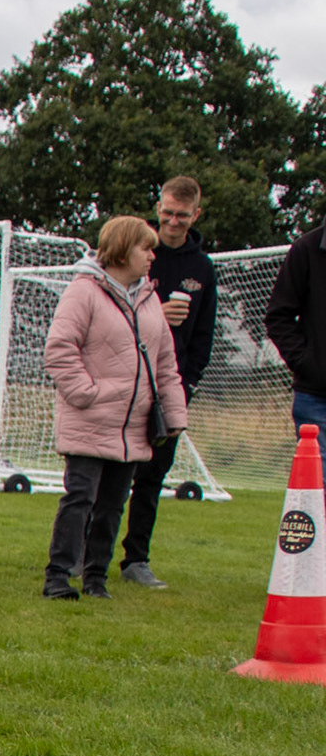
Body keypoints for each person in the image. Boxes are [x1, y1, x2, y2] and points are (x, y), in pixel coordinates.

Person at [41, 215, 187, 601]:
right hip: (91, 419)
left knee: (112, 505)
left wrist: (174, 415)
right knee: (80, 499)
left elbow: (166, 364)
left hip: (133, 426)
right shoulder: (83, 291)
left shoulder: (149, 299)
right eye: (145, 247)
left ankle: (96, 579)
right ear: (122, 249)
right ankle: (58, 577)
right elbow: (60, 349)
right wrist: (87, 393)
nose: (152, 256)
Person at [117, 175, 217, 587]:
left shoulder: (203, 268)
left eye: (182, 216)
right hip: (125, 382)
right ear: (158, 207)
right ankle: (87, 553)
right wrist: (155, 313)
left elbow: (203, 337)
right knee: (111, 473)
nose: (173, 222)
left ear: (196, 215)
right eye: (167, 213)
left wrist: (186, 387)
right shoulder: (138, 252)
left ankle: (136, 560)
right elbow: (110, 313)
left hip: (169, 389)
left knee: (151, 478)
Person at [266, 210, 326, 436]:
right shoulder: (306, 249)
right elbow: (278, 316)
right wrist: (308, 363)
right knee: (317, 462)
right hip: (317, 399)